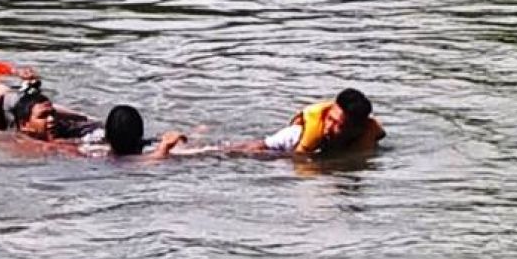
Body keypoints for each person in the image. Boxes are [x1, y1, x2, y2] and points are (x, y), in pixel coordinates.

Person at [223, 88, 385, 157]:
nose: (329, 127)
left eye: (340, 126)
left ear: (357, 129)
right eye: (330, 119)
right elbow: (256, 147)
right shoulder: (296, 135)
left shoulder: (369, 136)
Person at [95, 104, 188, 160]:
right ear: (141, 132)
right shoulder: (150, 150)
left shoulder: (97, 154)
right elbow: (153, 159)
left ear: (106, 134)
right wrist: (164, 147)